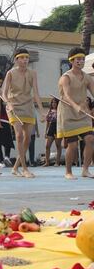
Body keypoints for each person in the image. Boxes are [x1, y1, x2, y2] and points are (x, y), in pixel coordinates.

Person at [3, 48, 46, 178]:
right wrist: (8, 103)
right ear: (16, 60)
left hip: (28, 106)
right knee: (19, 136)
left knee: (28, 138)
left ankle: (15, 167)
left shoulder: (33, 73)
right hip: (14, 107)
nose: (25, 60)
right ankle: (24, 168)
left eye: (26, 58)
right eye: (22, 58)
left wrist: (42, 111)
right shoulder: (10, 73)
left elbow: (36, 94)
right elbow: (3, 94)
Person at [57, 47, 94, 180]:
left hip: (83, 112)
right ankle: (68, 171)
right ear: (71, 60)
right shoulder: (66, 77)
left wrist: (82, 106)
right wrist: (76, 106)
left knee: (90, 139)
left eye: (83, 59)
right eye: (78, 59)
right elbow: (66, 96)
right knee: (72, 145)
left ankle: (85, 169)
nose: (81, 61)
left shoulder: (87, 77)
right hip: (68, 113)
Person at [0, 102, 14, 168]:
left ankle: (1, 162)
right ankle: (7, 156)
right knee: (7, 141)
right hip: (6, 122)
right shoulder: (6, 102)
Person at [43, 98, 62, 167]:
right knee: (47, 146)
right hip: (51, 128)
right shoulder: (49, 111)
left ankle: (57, 162)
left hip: (58, 128)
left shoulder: (60, 110)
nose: (53, 104)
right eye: (52, 102)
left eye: (55, 102)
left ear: (57, 103)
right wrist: (46, 132)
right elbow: (47, 122)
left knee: (58, 145)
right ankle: (47, 162)